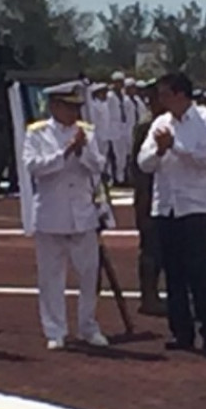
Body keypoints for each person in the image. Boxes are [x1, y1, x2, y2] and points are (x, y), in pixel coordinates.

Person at [136, 72, 206, 353]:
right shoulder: (160, 124)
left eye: (164, 94)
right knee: (173, 271)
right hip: (167, 206)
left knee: (198, 269)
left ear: (180, 94)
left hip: (197, 206)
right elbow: (144, 163)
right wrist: (160, 151)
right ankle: (181, 331)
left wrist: (175, 146)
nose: (159, 100)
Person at [22, 81, 110, 351]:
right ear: (54, 106)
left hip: (82, 214)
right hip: (52, 212)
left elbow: (98, 166)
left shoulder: (87, 132)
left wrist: (82, 151)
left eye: (77, 108)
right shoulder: (37, 133)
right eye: (69, 107)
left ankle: (88, 326)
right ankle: (55, 329)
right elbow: (34, 167)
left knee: (88, 275)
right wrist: (65, 152)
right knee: (51, 277)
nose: (74, 113)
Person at [129, 78, 166, 316]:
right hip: (148, 194)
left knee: (163, 248)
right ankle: (148, 297)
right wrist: (143, 198)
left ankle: (155, 295)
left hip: (165, 196)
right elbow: (139, 167)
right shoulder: (146, 127)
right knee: (151, 248)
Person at [107, 71, 133, 186]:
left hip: (123, 127)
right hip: (113, 128)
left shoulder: (124, 97)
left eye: (121, 82)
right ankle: (114, 178)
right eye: (118, 82)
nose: (120, 85)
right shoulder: (109, 97)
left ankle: (121, 178)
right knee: (114, 155)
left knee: (123, 155)